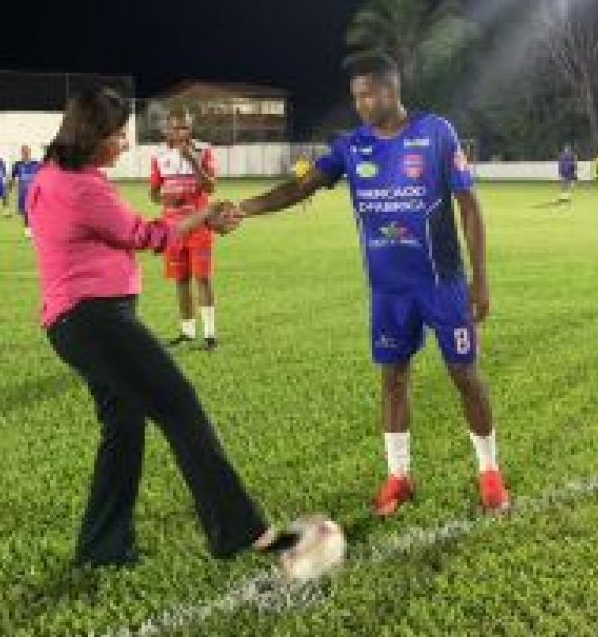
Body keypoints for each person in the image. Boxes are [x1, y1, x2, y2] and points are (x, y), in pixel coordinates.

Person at [26, 85, 300, 569]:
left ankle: (102, 547)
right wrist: (204, 217)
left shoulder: (51, 176)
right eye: (118, 135)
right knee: (181, 408)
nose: (125, 144)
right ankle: (241, 530)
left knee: (124, 427)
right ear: (94, 136)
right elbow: (148, 235)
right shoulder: (83, 187)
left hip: (74, 324)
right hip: (97, 322)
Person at [232, 52, 510, 516]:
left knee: (464, 374)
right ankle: (398, 477)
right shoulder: (351, 146)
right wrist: (244, 209)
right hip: (388, 290)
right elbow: (299, 189)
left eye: (369, 94)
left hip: (442, 284)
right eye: (355, 96)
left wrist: (480, 280)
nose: (361, 104)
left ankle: (489, 475)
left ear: (392, 89)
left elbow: (470, 207)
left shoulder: (436, 132)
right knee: (393, 378)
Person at [150, 109, 220, 350]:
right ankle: (187, 332)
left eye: (185, 127)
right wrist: (165, 199)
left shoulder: (204, 150)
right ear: (167, 129)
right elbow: (153, 193)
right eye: (175, 128)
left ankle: (210, 335)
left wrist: (193, 161)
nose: (180, 132)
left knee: (202, 278)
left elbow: (211, 188)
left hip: (200, 224)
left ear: (191, 128)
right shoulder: (159, 157)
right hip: (173, 228)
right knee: (180, 280)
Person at [9, 145, 43, 238]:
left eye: (27, 151)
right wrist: (10, 187)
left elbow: (43, 176)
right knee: (26, 211)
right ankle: (27, 230)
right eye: (24, 152)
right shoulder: (17, 164)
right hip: (23, 192)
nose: (25, 153)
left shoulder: (36, 164)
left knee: (37, 211)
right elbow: (12, 177)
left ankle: (37, 228)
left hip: (36, 192)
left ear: (30, 152)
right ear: (21, 153)